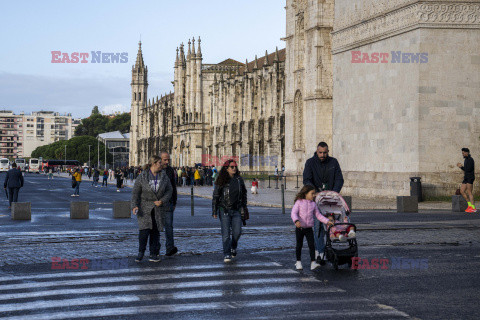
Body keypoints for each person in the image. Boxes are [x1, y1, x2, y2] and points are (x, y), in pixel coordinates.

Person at [303, 141, 344, 261]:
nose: (322, 155)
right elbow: (307, 179)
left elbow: (339, 179)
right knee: (318, 227)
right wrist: (314, 192)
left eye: (325, 153)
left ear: (328, 152)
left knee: (333, 225)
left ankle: (331, 248)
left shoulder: (333, 162)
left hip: (331, 200)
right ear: (317, 151)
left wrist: (334, 193)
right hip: (316, 199)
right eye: (320, 153)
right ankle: (319, 251)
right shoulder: (310, 162)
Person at [131, 155, 173, 262]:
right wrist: (134, 205)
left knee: (155, 231)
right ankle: (141, 252)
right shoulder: (142, 176)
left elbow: (169, 190)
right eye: (160, 162)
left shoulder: (164, 176)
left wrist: (162, 200)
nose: (162, 164)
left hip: (158, 208)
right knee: (144, 231)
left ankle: (154, 253)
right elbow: (135, 192)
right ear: (154, 163)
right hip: (144, 208)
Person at [212, 159, 248, 262]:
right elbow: (216, 195)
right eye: (232, 167)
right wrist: (214, 210)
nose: (234, 169)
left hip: (237, 209)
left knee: (237, 232)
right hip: (224, 209)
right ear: (226, 169)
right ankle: (227, 253)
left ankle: (233, 247)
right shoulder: (221, 180)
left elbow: (244, 193)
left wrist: (244, 206)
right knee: (226, 233)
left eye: (235, 167)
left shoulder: (239, 179)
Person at [291, 185, 333, 270]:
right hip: (300, 228)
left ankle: (313, 262)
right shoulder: (299, 202)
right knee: (299, 245)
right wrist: (296, 221)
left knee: (312, 245)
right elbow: (293, 213)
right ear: (306, 193)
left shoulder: (313, 204)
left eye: (314, 193)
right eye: (312, 193)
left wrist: (327, 221)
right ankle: (298, 262)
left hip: (309, 228)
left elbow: (318, 215)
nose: (314, 195)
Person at [160, 151, 178, 257]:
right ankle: (154, 249)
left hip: (169, 202)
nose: (167, 162)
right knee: (155, 227)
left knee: (169, 226)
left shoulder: (170, 170)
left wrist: (174, 201)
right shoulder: (155, 169)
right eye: (164, 160)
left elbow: (173, 187)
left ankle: (170, 247)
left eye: (168, 160)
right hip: (157, 202)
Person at [457, 147, 476, 212]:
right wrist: (461, 167)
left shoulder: (470, 159)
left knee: (469, 192)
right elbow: (466, 169)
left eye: (463, 153)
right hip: (466, 177)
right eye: (462, 153)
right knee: (462, 191)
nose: (463, 154)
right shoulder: (466, 160)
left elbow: (468, 169)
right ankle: (469, 205)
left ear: (467, 152)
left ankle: (473, 208)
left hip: (470, 177)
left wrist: (461, 167)